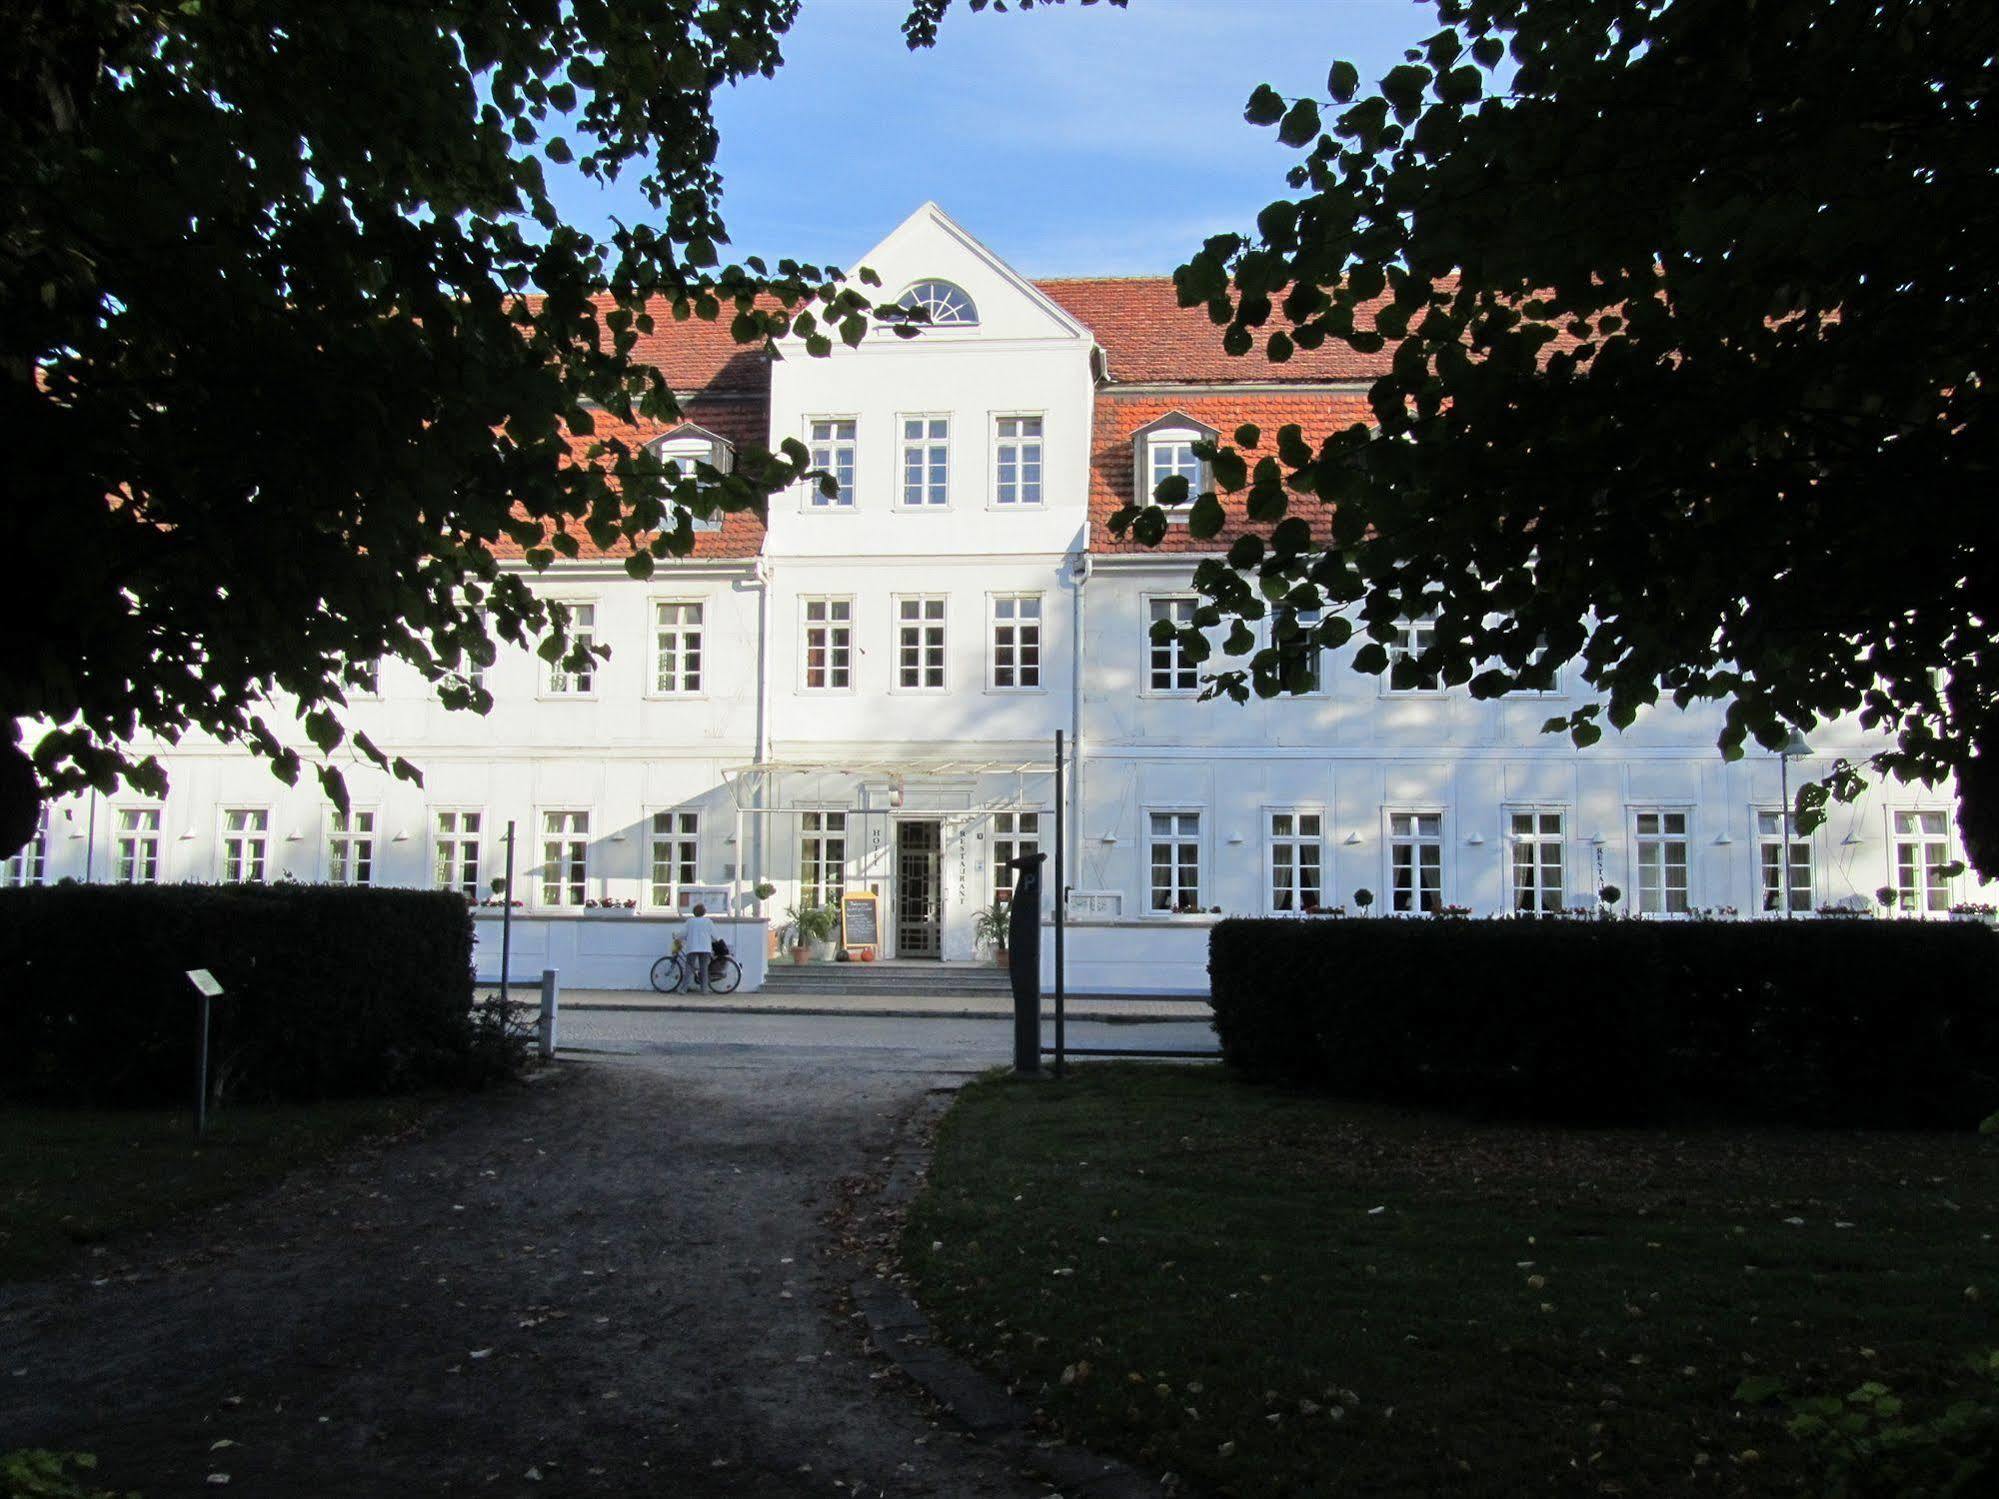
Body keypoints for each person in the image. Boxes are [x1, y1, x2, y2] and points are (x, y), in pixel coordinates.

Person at [681, 902, 717, 993]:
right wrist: (716, 940)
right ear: (704, 912)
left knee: (689, 968)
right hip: (705, 948)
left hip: (692, 947)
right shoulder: (708, 921)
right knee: (704, 969)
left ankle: (683, 989)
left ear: (694, 912)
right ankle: (704, 990)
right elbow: (715, 935)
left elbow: (684, 933)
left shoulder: (690, 921)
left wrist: (676, 936)